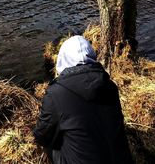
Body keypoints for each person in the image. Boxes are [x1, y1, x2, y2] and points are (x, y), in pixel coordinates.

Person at [33, 35, 133, 164]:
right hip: (122, 160)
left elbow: (41, 136)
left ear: (63, 59)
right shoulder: (110, 85)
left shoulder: (56, 93)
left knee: (51, 144)